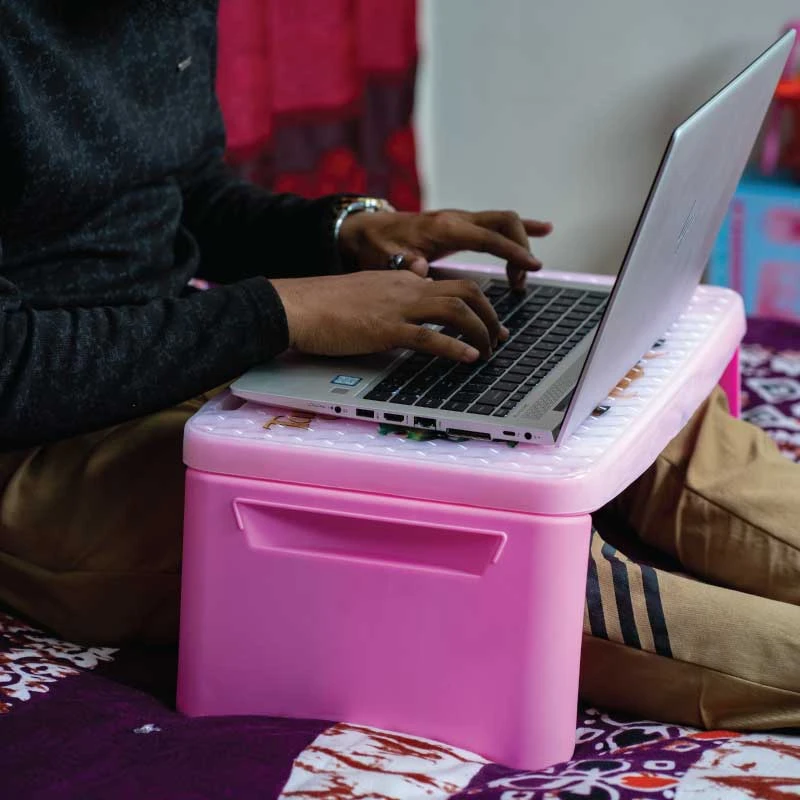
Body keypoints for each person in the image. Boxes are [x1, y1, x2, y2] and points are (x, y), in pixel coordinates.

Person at [1, 0, 798, 733]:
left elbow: (182, 194)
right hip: (50, 452)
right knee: (463, 537)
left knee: (612, 394)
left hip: (198, 349)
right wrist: (284, 314)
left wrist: (347, 232)